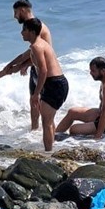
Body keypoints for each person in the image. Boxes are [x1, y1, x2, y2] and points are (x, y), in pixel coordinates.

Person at [4, 0, 53, 130]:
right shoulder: (30, 25)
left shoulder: (37, 27)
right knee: (34, 102)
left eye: (15, 12)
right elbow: (33, 53)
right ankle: (34, 132)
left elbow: (40, 53)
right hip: (36, 68)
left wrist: (18, 65)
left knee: (42, 104)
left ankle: (45, 133)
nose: (14, 16)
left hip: (44, 70)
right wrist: (25, 64)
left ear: (22, 10)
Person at [22, 17, 68, 151]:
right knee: (49, 120)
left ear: (31, 32)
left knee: (46, 123)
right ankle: (52, 149)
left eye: (24, 30)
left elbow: (43, 71)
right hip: (59, 83)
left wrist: (36, 94)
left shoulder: (36, 46)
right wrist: (12, 67)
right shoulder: (41, 43)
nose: (21, 33)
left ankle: (48, 154)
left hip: (54, 84)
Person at [56, 57, 105, 139]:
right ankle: (54, 136)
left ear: (103, 71)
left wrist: (98, 136)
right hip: (103, 115)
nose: (90, 73)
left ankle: (66, 141)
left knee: (73, 129)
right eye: (90, 70)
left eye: (93, 71)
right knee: (72, 112)